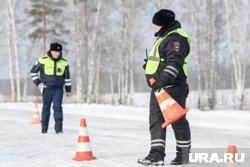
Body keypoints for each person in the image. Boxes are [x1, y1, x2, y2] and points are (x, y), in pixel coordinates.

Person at [138, 9, 191, 166]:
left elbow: (175, 62)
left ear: (164, 24)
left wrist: (163, 80)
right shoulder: (165, 37)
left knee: (177, 122)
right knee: (156, 121)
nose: (155, 28)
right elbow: (161, 60)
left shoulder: (176, 39)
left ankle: (184, 155)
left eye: (157, 25)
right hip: (159, 88)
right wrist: (150, 67)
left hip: (172, 87)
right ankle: (156, 155)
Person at [30, 42, 72, 134]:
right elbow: (33, 72)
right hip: (46, 89)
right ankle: (44, 128)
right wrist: (38, 83)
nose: (57, 53)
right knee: (46, 108)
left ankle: (59, 129)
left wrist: (68, 89)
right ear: (51, 51)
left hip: (58, 89)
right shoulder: (43, 60)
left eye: (59, 51)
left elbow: (67, 77)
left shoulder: (64, 62)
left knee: (57, 108)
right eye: (55, 51)